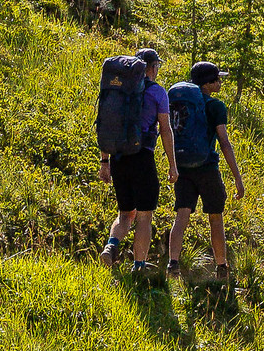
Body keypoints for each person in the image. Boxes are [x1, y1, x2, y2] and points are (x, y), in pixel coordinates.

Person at [99, 45, 176, 278]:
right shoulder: (157, 93)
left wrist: (104, 162)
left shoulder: (118, 89)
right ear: (151, 68)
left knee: (125, 214)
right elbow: (165, 130)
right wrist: (173, 165)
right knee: (144, 215)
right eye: (157, 66)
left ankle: (111, 246)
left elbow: (105, 122)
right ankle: (139, 267)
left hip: (118, 156)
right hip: (142, 157)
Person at [166, 59, 245, 281]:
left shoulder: (181, 103)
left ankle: (173, 264)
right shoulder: (215, 106)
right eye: (217, 79)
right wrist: (237, 178)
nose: (220, 83)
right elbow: (224, 142)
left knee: (182, 214)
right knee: (215, 217)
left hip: (182, 165)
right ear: (208, 83)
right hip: (207, 166)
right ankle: (221, 267)